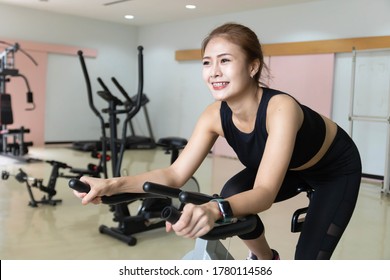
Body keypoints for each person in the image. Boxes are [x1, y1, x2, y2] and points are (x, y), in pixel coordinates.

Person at [74, 22, 362, 260]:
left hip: (333, 171)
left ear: (252, 67)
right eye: (207, 62)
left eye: (225, 60)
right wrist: (111, 185)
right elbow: (174, 174)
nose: (213, 71)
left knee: (308, 260)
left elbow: (263, 193)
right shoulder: (213, 116)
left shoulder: (280, 109)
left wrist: (215, 209)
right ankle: (266, 260)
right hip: (289, 167)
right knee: (233, 190)